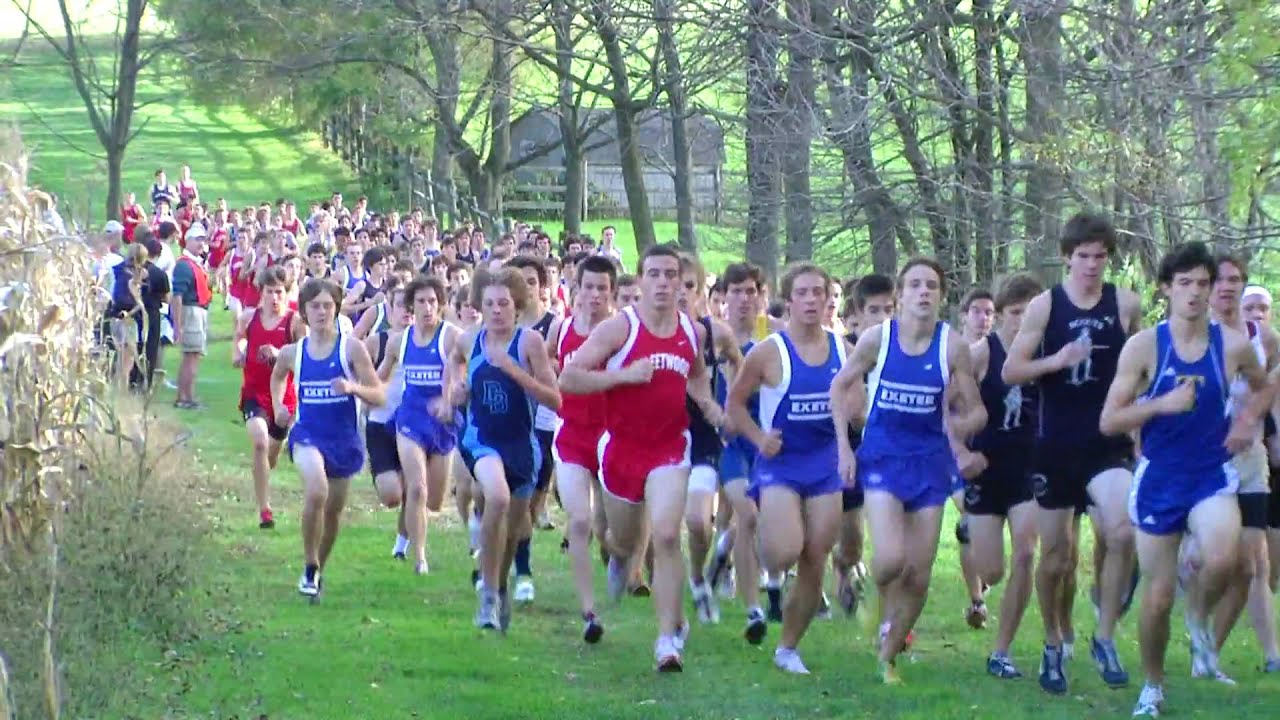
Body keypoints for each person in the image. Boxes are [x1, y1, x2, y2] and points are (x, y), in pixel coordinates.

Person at [1097, 241, 1270, 717]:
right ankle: (1152, 687)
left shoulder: (1231, 345)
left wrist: (1245, 420)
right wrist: (1160, 405)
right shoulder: (1145, 346)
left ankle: (1197, 618)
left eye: (1203, 284)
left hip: (1211, 473)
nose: (1195, 293)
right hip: (1159, 478)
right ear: (1167, 290)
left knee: (1223, 556)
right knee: (1155, 599)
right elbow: (1110, 420)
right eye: (1186, 284)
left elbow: (1265, 384)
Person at [559, 244, 722, 672]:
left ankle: (667, 640)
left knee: (667, 535)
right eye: (655, 274)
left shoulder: (692, 331)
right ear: (641, 281)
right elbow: (570, 376)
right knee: (627, 541)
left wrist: (711, 407)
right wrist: (623, 376)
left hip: (670, 447)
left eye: (673, 275)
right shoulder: (619, 329)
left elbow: (698, 377)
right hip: (620, 451)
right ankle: (619, 554)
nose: (665, 283)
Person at [1002, 212, 1144, 694]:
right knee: (1057, 557)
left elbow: (1141, 369)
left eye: (1100, 256)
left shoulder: (1125, 303)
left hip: (1108, 441)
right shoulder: (1045, 306)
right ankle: (1051, 642)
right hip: (1055, 444)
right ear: (1067, 258)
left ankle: (1104, 635)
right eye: (1082, 256)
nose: (1091, 265)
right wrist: (1056, 360)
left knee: (1122, 531)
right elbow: (1012, 371)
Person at [832, 257, 986, 684]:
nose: (923, 292)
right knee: (890, 561)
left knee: (918, 574)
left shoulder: (951, 346)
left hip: (929, 465)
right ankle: (878, 607)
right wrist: (844, 448)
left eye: (931, 286)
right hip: (882, 458)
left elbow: (976, 411)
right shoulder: (878, 340)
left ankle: (888, 652)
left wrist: (959, 431)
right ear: (900, 296)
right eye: (915, 285)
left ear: (941, 296)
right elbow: (840, 386)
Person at [726, 262, 850, 674]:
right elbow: (736, 405)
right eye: (803, 293)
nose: (813, 300)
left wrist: (852, 435)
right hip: (780, 463)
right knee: (783, 552)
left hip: (825, 463)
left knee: (816, 554)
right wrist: (760, 439)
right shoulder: (768, 352)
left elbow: (855, 404)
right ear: (789, 300)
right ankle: (762, 542)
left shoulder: (841, 348)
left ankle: (788, 647)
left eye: (820, 292)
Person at [445, 268, 561, 631]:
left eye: (504, 304)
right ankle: (489, 596)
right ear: (479, 305)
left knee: (514, 530)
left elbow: (554, 399)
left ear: (517, 306)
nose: (496, 310)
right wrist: (455, 393)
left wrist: (514, 371)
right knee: (494, 498)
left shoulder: (528, 344)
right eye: (489, 303)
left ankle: (500, 585)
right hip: (481, 439)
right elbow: (454, 364)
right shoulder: (470, 340)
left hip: (521, 445)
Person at [270, 279, 386, 599]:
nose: (322, 312)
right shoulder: (294, 352)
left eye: (327, 306)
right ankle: (308, 564)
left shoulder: (351, 348)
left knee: (333, 512)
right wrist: (280, 406)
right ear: (304, 311)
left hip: (344, 439)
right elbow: (278, 376)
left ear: (337, 309)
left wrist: (354, 389)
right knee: (317, 491)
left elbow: (378, 393)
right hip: (308, 434)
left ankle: (318, 569)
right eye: (315, 306)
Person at [1201, 254, 1280, 674]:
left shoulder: (1263, 338)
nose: (1227, 287)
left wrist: (1258, 423)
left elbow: (1273, 384)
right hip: (1206, 463)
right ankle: (1199, 631)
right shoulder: (1196, 335)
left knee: (1255, 562)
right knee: (1219, 562)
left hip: (1250, 460)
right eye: (1220, 280)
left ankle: (1229, 652)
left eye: (1235, 280)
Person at [964, 274, 1043, 678]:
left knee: (1026, 554)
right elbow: (947, 408)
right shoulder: (981, 354)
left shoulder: (1046, 355)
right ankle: (972, 538)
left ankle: (1001, 650)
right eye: (1015, 313)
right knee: (991, 570)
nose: (1022, 321)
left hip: (1030, 470)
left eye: (1031, 314)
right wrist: (961, 452)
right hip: (986, 468)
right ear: (1002, 315)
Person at [547, 255, 617, 643]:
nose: (593, 295)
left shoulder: (621, 331)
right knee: (579, 521)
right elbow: (546, 361)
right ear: (576, 289)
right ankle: (589, 611)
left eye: (601, 288)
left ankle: (619, 563)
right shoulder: (563, 328)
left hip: (611, 438)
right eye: (587, 287)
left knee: (611, 533)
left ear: (612, 292)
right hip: (572, 433)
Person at [705, 262, 772, 642]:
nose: (745, 299)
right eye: (737, 292)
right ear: (723, 297)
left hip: (768, 445)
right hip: (729, 445)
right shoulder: (713, 338)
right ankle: (753, 609)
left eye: (752, 291)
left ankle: (724, 550)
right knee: (746, 515)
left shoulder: (772, 337)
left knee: (758, 521)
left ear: (762, 296)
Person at [378, 276, 462, 576]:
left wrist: (448, 399)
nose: (427, 307)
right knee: (417, 488)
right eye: (421, 301)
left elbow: (461, 375)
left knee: (435, 501)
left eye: (432, 302)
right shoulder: (399, 341)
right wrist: (359, 391)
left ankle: (403, 536)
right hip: (410, 419)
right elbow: (380, 377)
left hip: (441, 423)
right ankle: (419, 558)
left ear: (441, 305)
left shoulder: (451, 337)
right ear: (411, 306)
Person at [679, 253, 741, 627]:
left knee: (700, 523)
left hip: (702, 438)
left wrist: (732, 404)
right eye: (677, 284)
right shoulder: (648, 333)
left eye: (690, 286)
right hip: (657, 439)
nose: (682, 293)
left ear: (702, 292)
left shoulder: (716, 333)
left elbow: (739, 363)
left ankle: (698, 575)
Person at [233, 267, 302, 529]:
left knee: (270, 456)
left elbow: (303, 359)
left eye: (279, 292)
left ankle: (262, 473)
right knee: (260, 443)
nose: (274, 298)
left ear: (287, 293)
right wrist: (238, 353)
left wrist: (280, 353)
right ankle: (265, 511)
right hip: (254, 394)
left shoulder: (295, 322)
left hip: (283, 400)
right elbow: (239, 340)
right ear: (261, 293)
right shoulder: (248, 318)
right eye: (270, 292)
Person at [509, 256, 560, 603]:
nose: (526, 287)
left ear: (542, 286)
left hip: (541, 415)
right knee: (501, 498)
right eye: (520, 281)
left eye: (532, 281)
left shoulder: (552, 324)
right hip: (498, 420)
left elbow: (555, 368)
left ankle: (519, 559)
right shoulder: (495, 324)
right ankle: (506, 554)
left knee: (531, 486)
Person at [955, 287, 997, 628]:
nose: (984, 318)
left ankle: (982, 582)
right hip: (954, 453)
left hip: (990, 452)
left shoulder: (998, 353)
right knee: (967, 523)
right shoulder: (954, 352)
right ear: (963, 315)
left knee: (980, 531)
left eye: (989, 312)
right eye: (978, 311)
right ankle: (976, 601)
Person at [364, 286, 412, 559]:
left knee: (415, 487)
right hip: (380, 423)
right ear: (389, 309)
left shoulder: (425, 341)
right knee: (392, 495)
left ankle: (402, 547)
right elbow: (365, 381)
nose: (406, 311)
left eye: (410, 305)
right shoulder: (377, 343)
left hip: (413, 425)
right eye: (400, 305)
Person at [171, 225, 213, 409]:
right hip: (192, 311)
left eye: (202, 240)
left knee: (194, 355)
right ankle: (185, 397)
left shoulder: (195, 263)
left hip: (198, 310)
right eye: (197, 239)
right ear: (187, 241)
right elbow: (177, 296)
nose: (200, 243)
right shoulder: (183, 264)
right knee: (191, 355)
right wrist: (178, 324)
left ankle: (186, 395)